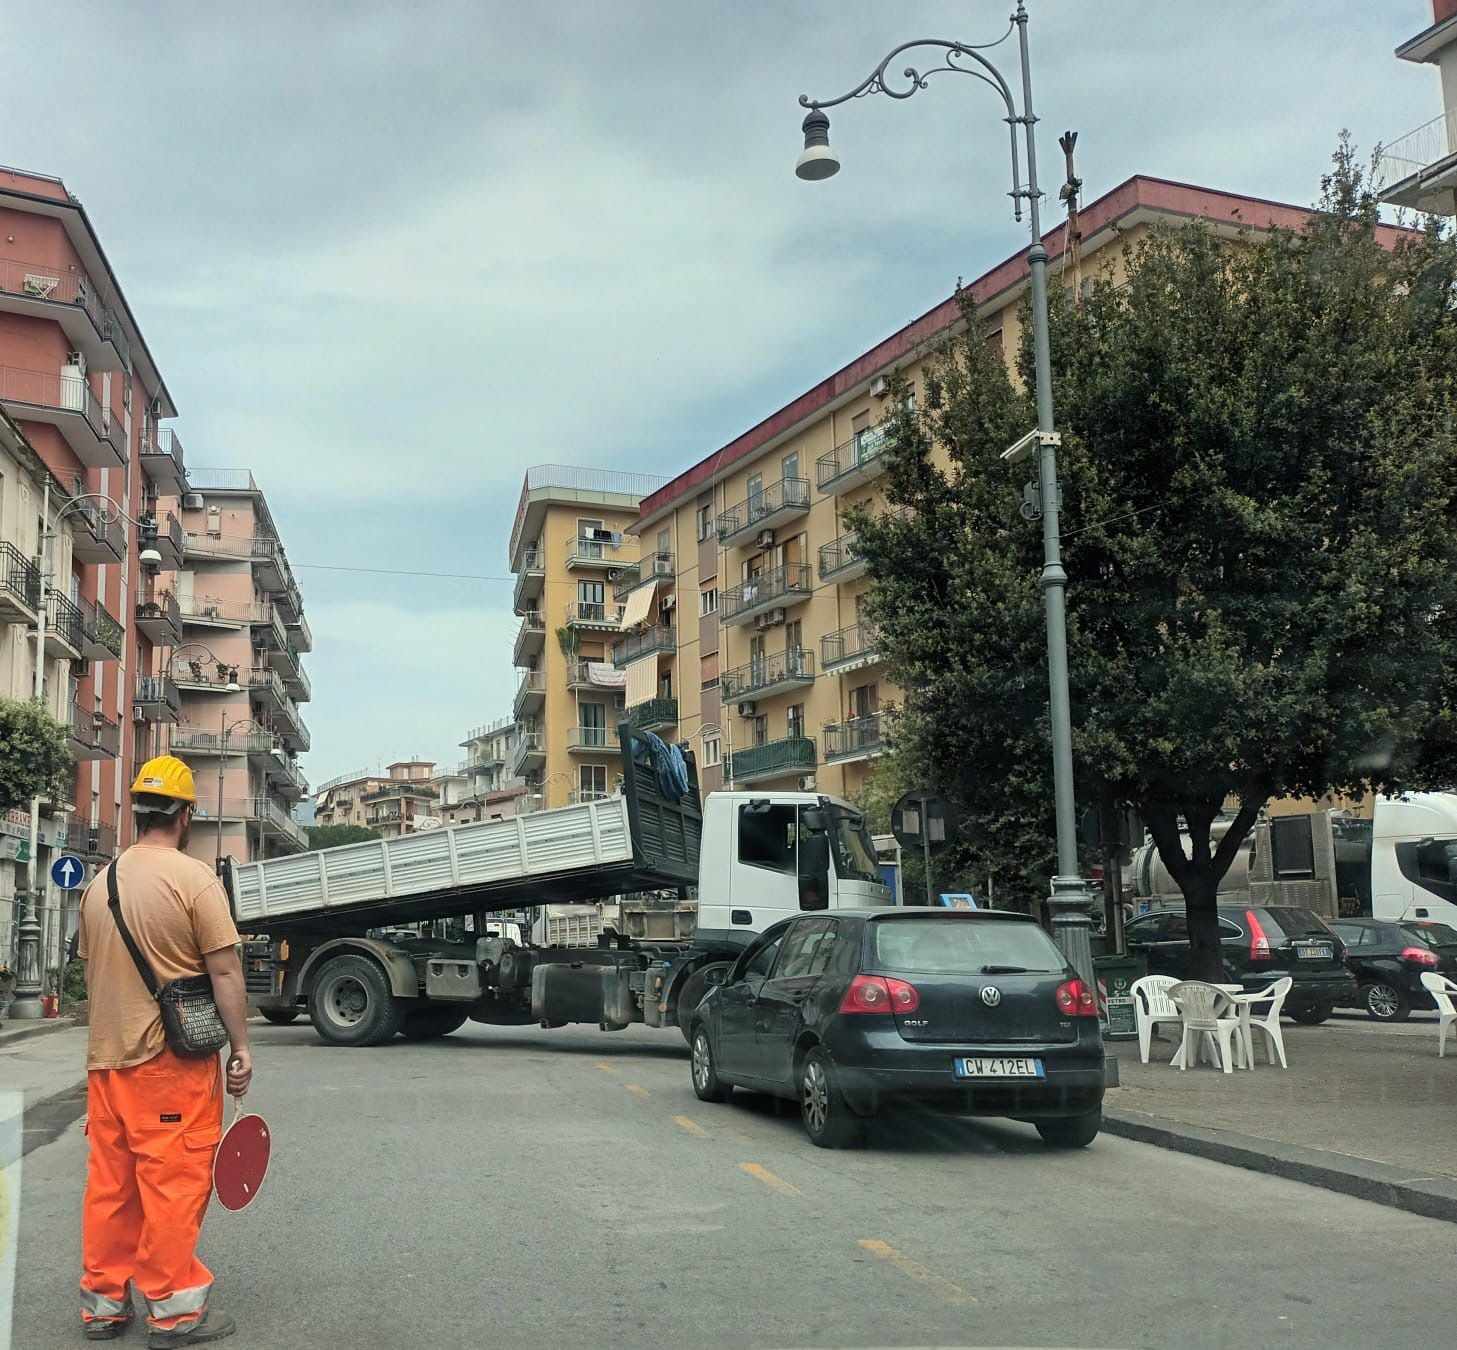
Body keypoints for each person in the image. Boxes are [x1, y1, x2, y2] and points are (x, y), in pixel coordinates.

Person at [75, 755, 252, 1346]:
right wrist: (241, 1047)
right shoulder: (193, 879)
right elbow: (225, 973)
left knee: (111, 1186)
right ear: (184, 816)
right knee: (173, 1183)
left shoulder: (101, 885)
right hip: (167, 1068)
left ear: (136, 812)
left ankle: (103, 1305)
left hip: (106, 1067)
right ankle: (175, 1311)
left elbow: (90, 969)